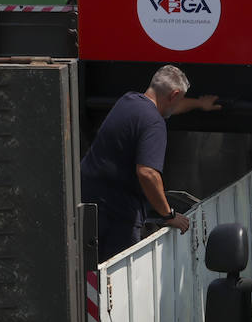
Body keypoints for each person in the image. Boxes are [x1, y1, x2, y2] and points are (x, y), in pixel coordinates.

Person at [80, 65, 220, 258]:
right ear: (174, 95)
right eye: (177, 98)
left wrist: (198, 104)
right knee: (117, 273)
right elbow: (147, 173)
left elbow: (172, 107)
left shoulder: (128, 100)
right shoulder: (154, 124)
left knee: (88, 267)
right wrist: (168, 214)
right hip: (117, 214)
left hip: (87, 201)